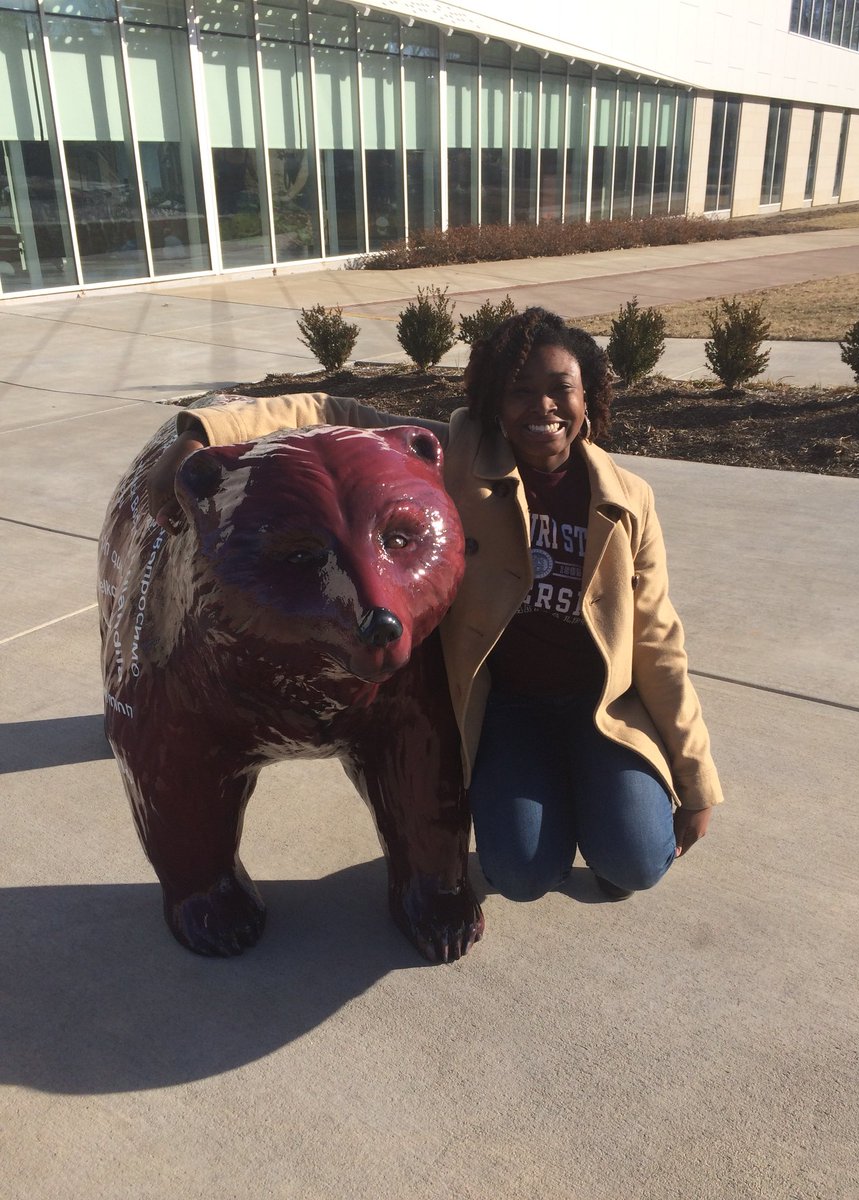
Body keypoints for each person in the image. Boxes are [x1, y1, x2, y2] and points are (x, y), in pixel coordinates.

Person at [150, 307, 723, 904]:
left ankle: (607, 817)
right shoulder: (457, 458)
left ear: (590, 397)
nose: (543, 408)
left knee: (635, 861)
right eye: (520, 391)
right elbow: (331, 411)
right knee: (521, 874)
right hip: (511, 708)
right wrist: (199, 429)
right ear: (494, 403)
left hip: (602, 706)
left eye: (561, 390)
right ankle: (557, 803)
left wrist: (695, 776)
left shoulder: (629, 500)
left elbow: (658, 641)